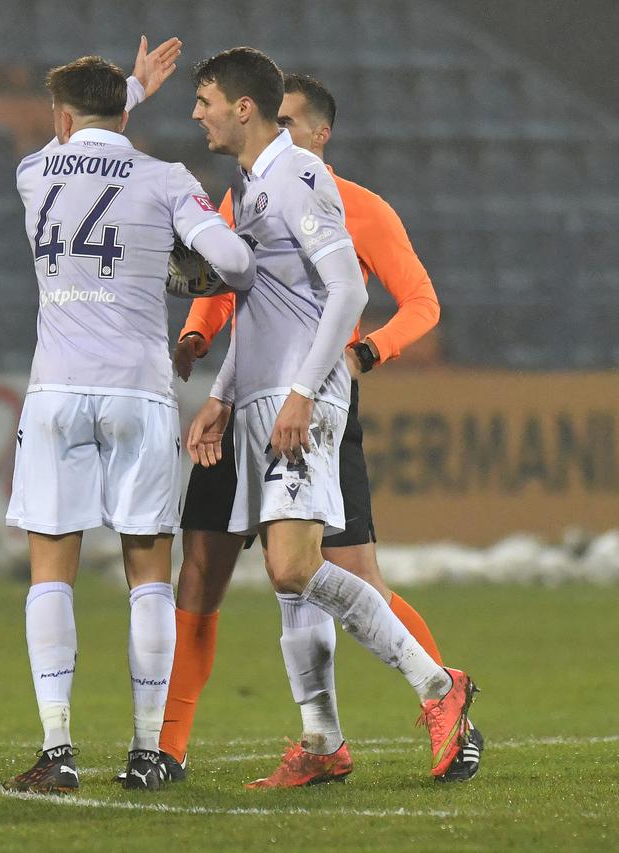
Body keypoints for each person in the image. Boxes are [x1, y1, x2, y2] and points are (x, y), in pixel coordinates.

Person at [157, 72, 484, 787]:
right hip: (255, 393)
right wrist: (207, 360)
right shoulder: (248, 192)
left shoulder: (328, 193)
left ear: (317, 131)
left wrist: (365, 353)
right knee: (256, 572)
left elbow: (396, 298)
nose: (280, 126)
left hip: (305, 394)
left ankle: (439, 690)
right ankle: (307, 738)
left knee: (315, 568)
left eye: (291, 118)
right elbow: (249, 301)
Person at [1, 37, 257, 794]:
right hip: (139, 391)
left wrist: (130, 91)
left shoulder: (32, 171)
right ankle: (148, 751)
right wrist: (196, 260)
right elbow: (234, 264)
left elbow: (80, 138)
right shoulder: (167, 178)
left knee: (52, 567)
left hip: (55, 390)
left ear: (60, 114)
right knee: (149, 574)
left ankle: (58, 751)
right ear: (122, 114)